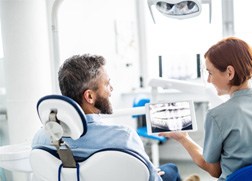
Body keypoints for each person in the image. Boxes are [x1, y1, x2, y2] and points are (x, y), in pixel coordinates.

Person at [32, 54, 181, 181]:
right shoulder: (123, 137)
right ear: (89, 96)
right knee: (171, 169)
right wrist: (153, 172)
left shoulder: (41, 138)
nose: (111, 89)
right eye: (107, 84)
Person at [159, 37, 252, 180]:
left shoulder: (217, 116)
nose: (209, 80)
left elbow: (214, 170)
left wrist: (183, 138)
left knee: (170, 172)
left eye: (210, 73)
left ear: (230, 72)